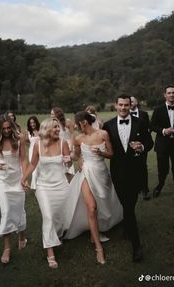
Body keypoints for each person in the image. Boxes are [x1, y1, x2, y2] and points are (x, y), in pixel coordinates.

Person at [64, 111, 123, 264]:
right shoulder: (78, 138)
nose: (80, 127)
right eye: (78, 125)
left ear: (86, 121)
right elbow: (76, 155)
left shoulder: (103, 134)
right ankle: (98, 248)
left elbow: (111, 154)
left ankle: (94, 232)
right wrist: (74, 158)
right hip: (85, 173)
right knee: (91, 207)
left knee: (102, 202)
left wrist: (102, 153)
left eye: (81, 124)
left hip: (101, 172)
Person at [103, 94, 153, 262]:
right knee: (127, 205)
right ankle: (127, 229)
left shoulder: (141, 122)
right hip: (118, 173)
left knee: (129, 206)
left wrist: (142, 147)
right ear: (115, 106)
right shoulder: (108, 126)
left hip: (136, 172)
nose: (124, 108)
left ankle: (136, 246)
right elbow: (104, 147)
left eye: (126, 105)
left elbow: (150, 143)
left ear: (130, 106)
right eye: (121, 105)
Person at [21, 118, 72, 269]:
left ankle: (57, 235)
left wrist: (68, 161)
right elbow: (32, 164)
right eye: (55, 127)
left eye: (58, 127)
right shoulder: (37, 145)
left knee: (59, 216)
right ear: (47, 129)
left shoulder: (63, 143)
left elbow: (68, 164)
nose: (58, 129)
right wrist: (23, 178)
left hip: (61, 186)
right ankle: (50, 253)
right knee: (48, 217)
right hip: (43, 187)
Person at [0, 114, 28, 264]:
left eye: (8, 128)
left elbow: (24, 159)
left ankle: (22, 236)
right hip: (3, 182)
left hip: (17, 180)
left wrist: (24, 179)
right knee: (6, 212)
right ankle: (7, 248)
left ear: (11, 126)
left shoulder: (19, 139)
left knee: (19, 210)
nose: (6, 131)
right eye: (3, 128)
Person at [150, 85, 174, 207]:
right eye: (169, 93)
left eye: (173, 92)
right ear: (165, 95)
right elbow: (152, 126)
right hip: (162, 145)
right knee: (163, 171)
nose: (171, 95)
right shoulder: (158, 109)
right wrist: (164, 131)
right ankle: (160, 186)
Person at [130, 96, 152, 200]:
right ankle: (136, 188)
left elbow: (148, 129)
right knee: (132, 168)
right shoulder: (126, 114)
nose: (130, 103)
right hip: (130, 147)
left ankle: (145, 190)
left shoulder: (144, 114)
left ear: (136, 102)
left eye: (132, 101)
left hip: (142, 146)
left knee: (143, 167)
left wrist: (142, 145)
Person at [51, 107, 75, 178]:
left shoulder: (67, 122)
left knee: (68, 163)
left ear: (57, 114)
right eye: (51, 114)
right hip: (58, 146)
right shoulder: (52, 123)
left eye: (52, 114)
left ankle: (70, 180)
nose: (51, 116)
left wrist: (71, 146)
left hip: (68, 144)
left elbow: (72, 135)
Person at [25, 116, 40, 189]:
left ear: (36, 122)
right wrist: (31, 147)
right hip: (32, 152)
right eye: (31, 123)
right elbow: (26, 141)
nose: (32, 124)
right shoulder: (28, 132)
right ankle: (34, 187)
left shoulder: (40, 130)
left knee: (40, 167)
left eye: (33, 122)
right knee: (34, 168)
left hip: (40, 151)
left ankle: (40, 185)